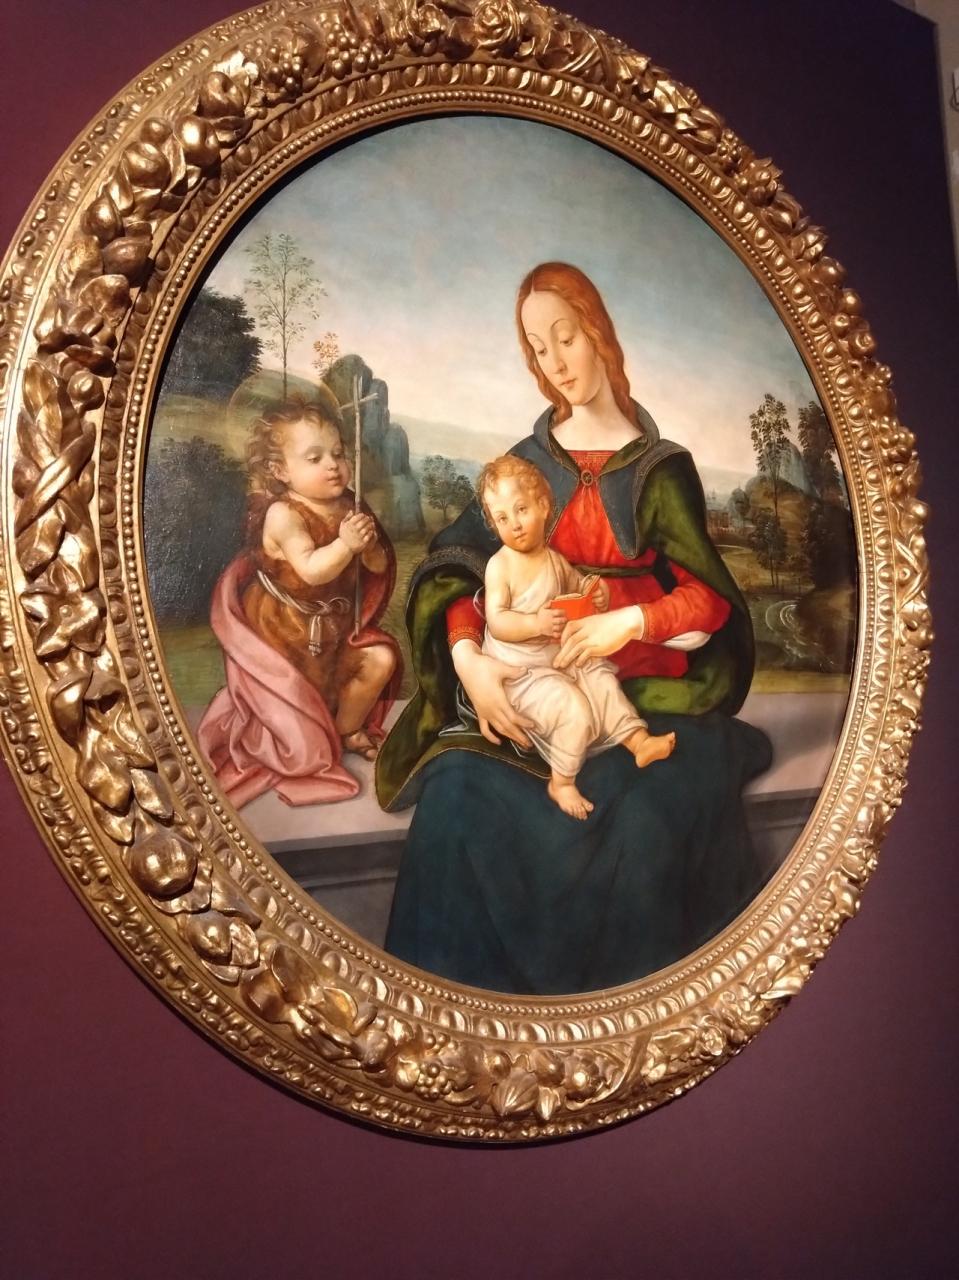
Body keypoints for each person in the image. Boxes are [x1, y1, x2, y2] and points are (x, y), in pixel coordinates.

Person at [376, 263, 771, 995]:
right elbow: (455, 567)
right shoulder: (523, 469)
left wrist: (632, 620)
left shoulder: (661, 469)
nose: (556, 362)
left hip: (645, 696)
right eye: (538, 348)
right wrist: (469, 662)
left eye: (566, 337)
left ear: (598, 333)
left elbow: (708, 600)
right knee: (456, 794)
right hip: (529, 686)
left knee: (650, 819)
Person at [198, 394, 400, 808]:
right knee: (294, 702)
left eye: (338, 454)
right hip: (284, 631)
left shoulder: (350, 506)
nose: (333, 465)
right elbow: (311, 570)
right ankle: (306, 740)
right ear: (280, 471)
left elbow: (378, 566)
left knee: (381, 659)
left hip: (333, 629)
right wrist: (347, 545)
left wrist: (369, 548)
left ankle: (345, 730)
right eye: (314, 457)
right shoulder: (283, 515)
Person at [478, 454, 676, 819]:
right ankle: (562, 782)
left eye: (521, 510)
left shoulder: (553, 560)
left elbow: (578, 586)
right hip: (521, 674)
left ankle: (638, 742)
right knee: (574, 708)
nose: (514, 525)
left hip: (558, 657)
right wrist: (535, 624)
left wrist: (595, 593)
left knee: (600, 678)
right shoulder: (499, 566)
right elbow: (498, 621)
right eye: (502, 518)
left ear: (543, 506)